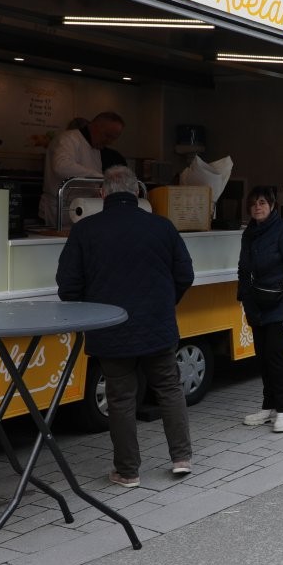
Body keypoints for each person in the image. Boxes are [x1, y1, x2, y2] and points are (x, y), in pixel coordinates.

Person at [55, 165, 194, 487]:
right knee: (169, 389)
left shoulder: (85, 231)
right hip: (157, 326)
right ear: (137, 192)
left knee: (120, 399)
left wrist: (91, 313)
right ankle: (181, 458)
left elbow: (68, 286)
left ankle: (128, 472)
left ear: (102, 193)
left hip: (110, 328)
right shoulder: (162, 226)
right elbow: (185, 275)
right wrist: (163, 305)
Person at [239, 186, 283, 434]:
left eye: (262, 203)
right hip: (258, 306)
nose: (257, 207)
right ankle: (268, 407)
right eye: (253, 203)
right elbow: (243, 270)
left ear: (272, 206)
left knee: (277, 357)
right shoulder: (249, 233)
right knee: (264, 358)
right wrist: (244, 300)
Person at [40, 111, 127, 226]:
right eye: (108, 136)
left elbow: (91, 183)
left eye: (113, 138)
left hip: (83, 209)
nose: (110, 142)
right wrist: (100, 178)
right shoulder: (68, 139)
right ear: (95, 127)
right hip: (59, 210)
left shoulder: (96, 149)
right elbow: (61, 166)